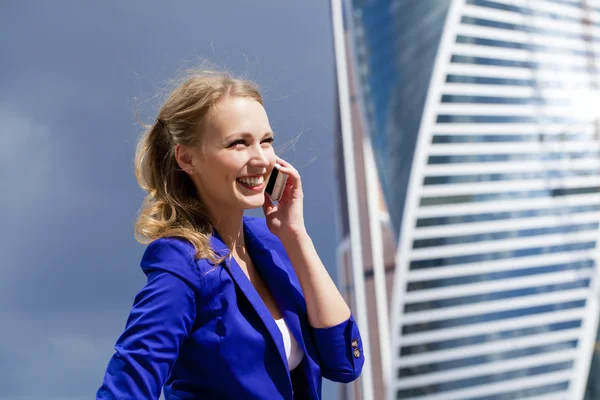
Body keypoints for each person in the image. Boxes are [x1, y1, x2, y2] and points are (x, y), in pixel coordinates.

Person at [96, 69, 364, 400]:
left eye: (266, 141)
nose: (261, 160)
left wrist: (296, 236)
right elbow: (128, 385)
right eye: (238, 143)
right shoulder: (182, 261)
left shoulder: (270, 243)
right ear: (187, 158)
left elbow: (345, 363)